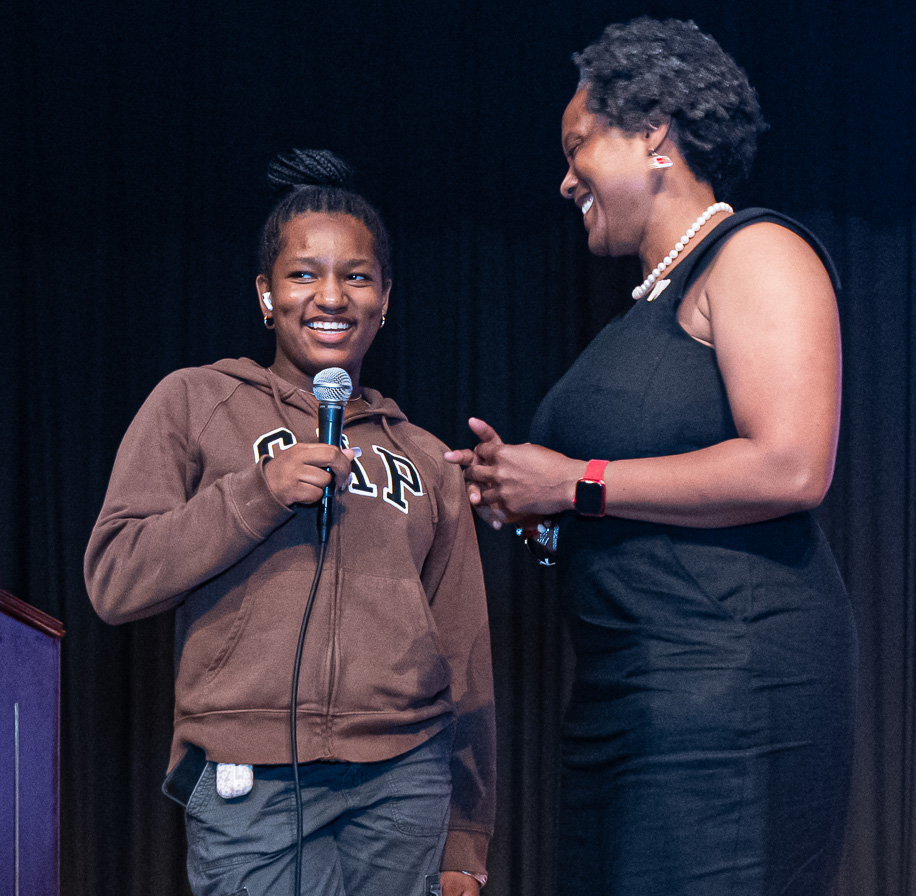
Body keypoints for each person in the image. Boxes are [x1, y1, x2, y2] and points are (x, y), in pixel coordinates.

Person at [445, 17, 856, 896]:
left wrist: (573, 482)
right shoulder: (645, 309)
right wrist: (536, 515)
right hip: (627, 699)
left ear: (655, 135)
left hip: (729, 698)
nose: (564, 180)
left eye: (578, 146)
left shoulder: (755, 252)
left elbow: (791, 466)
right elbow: (628, 514)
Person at [85, 149, 495, 896]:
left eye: (356, 276)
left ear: (386, 298)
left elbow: (465, 649)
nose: (330, 296)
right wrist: (256, 493)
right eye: (303, 274)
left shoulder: (429, 456)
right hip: (251, 780)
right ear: (266, 295)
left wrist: (466, 836)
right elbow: (115, 577)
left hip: (405, 782)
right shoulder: (193, 401)